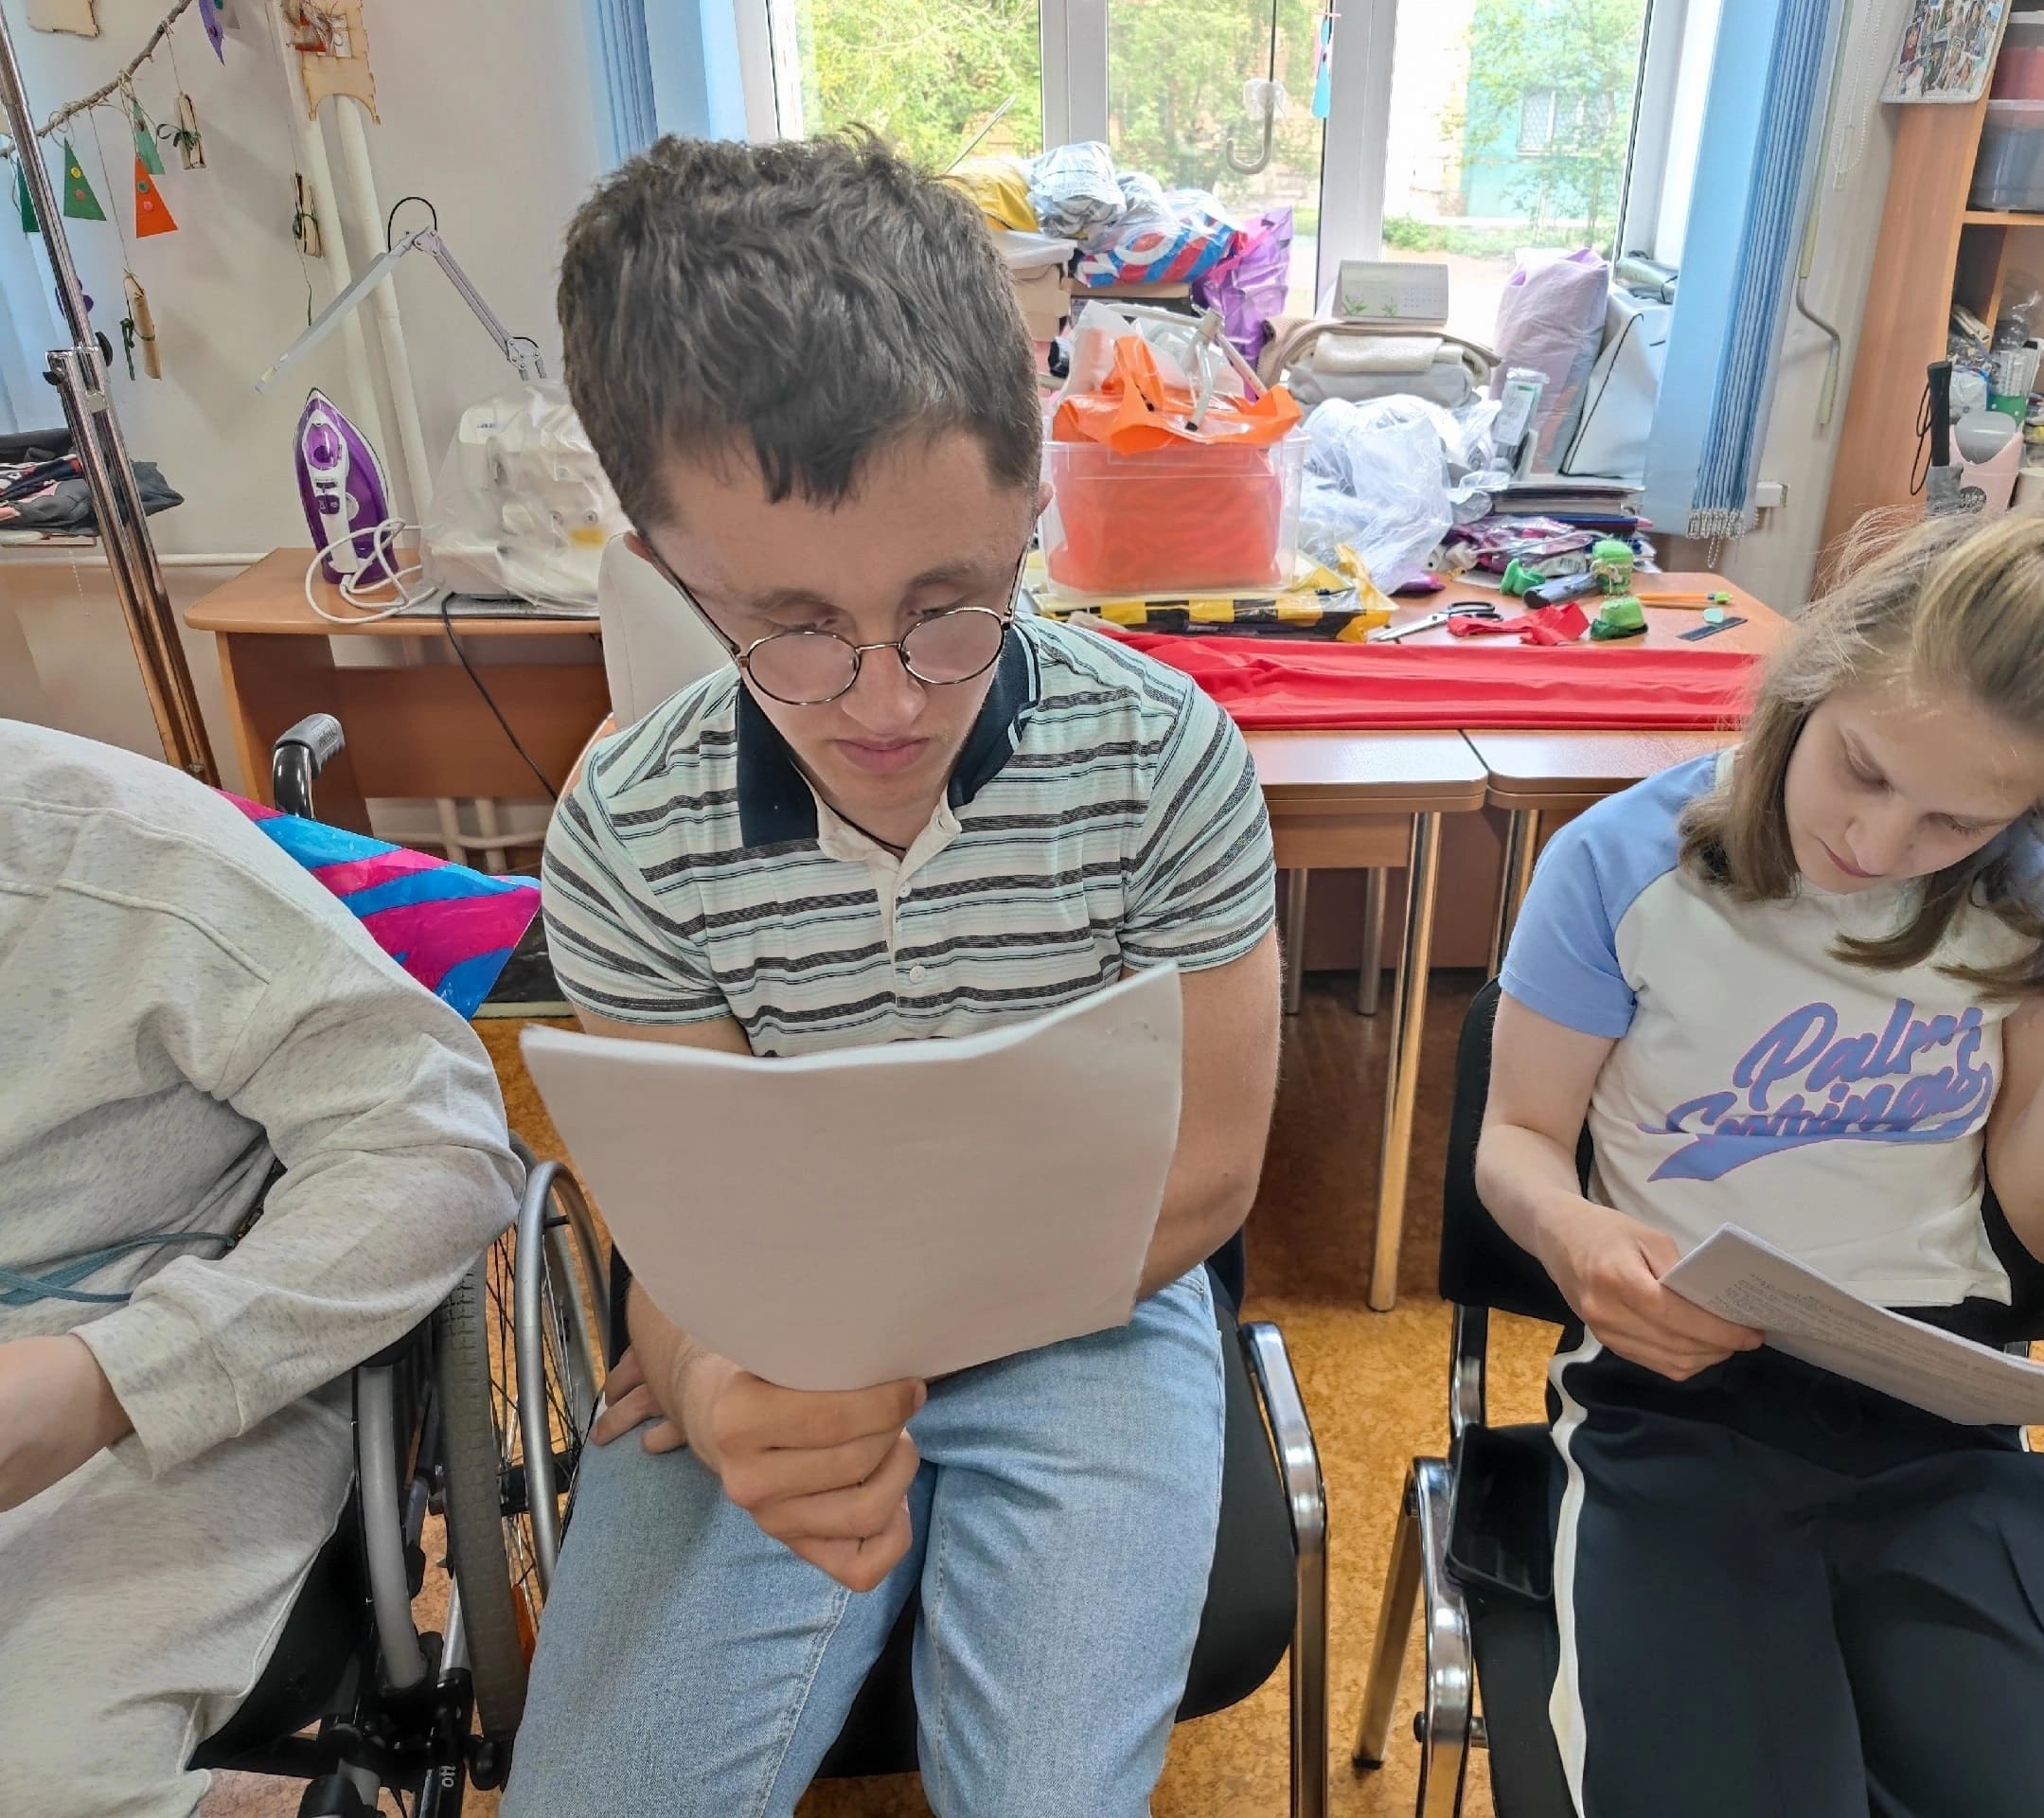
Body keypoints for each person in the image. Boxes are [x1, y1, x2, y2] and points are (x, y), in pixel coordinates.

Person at [505, 134, 1281, 1817]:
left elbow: (1208, 1178)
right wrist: (712, 1378)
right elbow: (684, 1218)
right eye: (787, 626)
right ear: (662, 564)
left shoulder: (1163, 762)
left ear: (1030, 502)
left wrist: (864, 1336)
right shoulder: (631, 828)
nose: (885, 702)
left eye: (955, 605)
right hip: (781, 1310)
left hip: (1093, 1301)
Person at [1481, 507, 2044, 1816]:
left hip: (1942, 1416)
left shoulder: (2032, 895)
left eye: (1954, 820)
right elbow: (1520, 1138)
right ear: (1810, 679)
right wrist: (1569, 1231)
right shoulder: (1620, 866)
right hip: (1680, 1400)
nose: (1877, 848)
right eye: (1862, 771)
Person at [0, 721, 522, 1818]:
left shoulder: (117, 858)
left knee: (34, 1769)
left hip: (149, 1365)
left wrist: (112, 1378)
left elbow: (437, 1142)